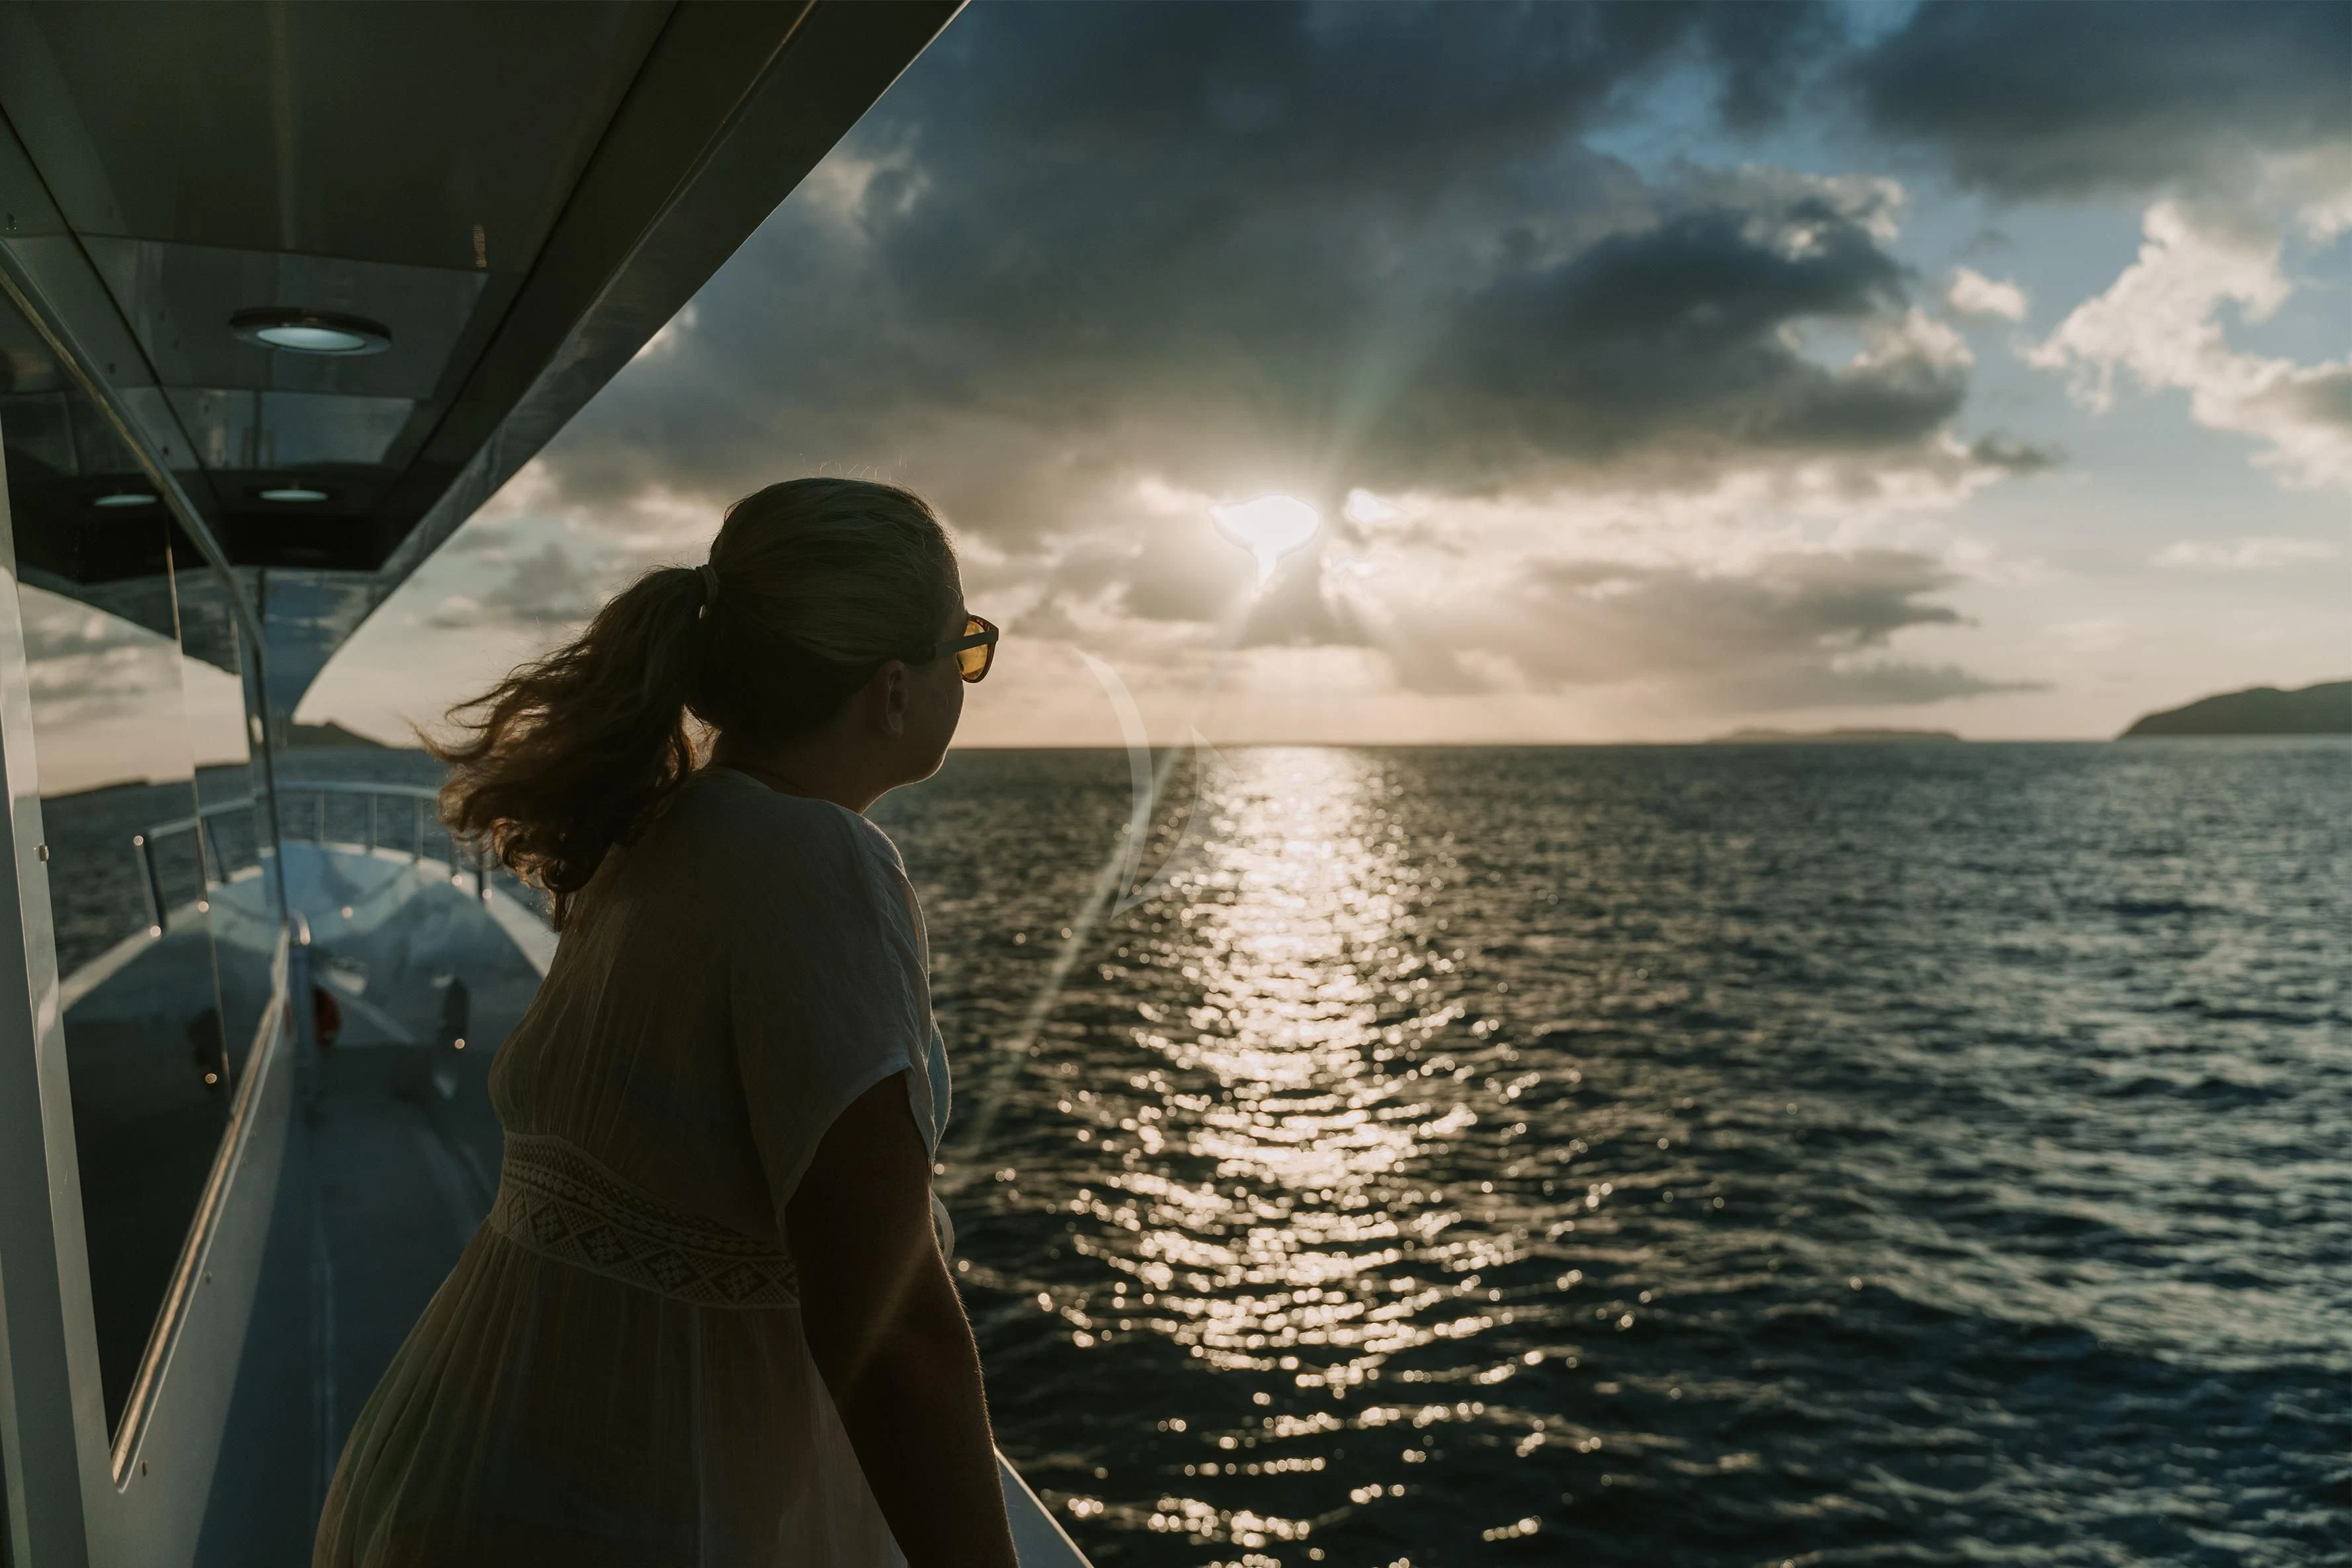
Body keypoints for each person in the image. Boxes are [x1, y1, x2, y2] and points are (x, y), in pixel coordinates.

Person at [314, 479, 1012, 1567]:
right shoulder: (819, 862)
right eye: (964, 647)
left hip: (459, 1469)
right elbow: (888, 1327)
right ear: (891, 689)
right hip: (605, 1526)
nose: (967, 674)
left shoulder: (658, 832)